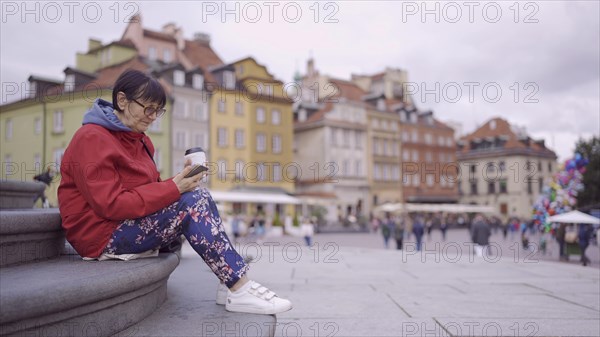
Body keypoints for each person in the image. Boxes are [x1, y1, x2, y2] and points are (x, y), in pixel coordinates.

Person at [57, 70, 291, 315]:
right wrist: (175, 187)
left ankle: (229, 281)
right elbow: (111, 204)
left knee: (197, 194)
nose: (153, 117)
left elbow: (147, 192)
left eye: (158, 111)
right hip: (99, 235)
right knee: (193, 201)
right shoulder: (91, 138)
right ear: (122, 101)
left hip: (125, 224)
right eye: (148, 108)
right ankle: (239, 286)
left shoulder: (139, 140)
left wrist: (181, 180)